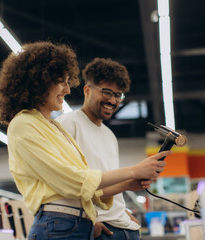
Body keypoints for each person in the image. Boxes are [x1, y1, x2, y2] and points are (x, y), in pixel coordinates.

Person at [0, 41, 170, 240]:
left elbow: (85, 189)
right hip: (59, 223)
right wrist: (133, 171)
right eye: (62, 81)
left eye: (118, 95)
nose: (68, 90)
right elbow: (73, 181)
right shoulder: (24, 124)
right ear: (39, 81)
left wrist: (126, 185)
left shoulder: (54, 127)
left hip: (75, 223)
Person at [55, 58, 143, 239]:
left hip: (123, 226)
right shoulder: (67, 124)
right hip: (98, 229)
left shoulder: (109, 135)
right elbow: (62, 181)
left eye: (118, 95)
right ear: (87, 90)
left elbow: (106, 182)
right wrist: (88, 221)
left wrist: (122, 211)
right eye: (107, 92)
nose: (113, 100)